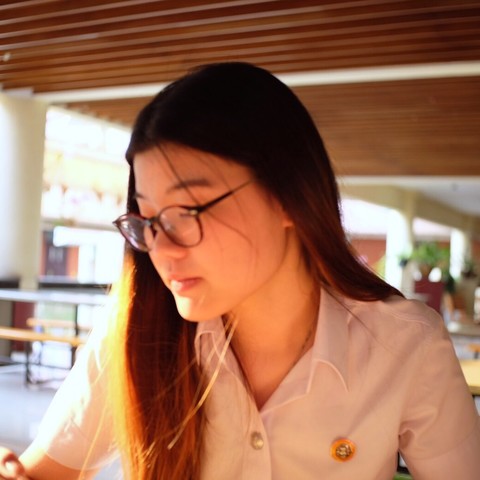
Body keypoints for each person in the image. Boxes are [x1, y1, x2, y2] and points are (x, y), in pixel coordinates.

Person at [1, 62, 479, 480]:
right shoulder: (134, 332)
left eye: (187, 211)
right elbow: (46, 472)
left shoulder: (405, 346)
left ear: (288, 196)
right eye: (148, 221)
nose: (160, 250)